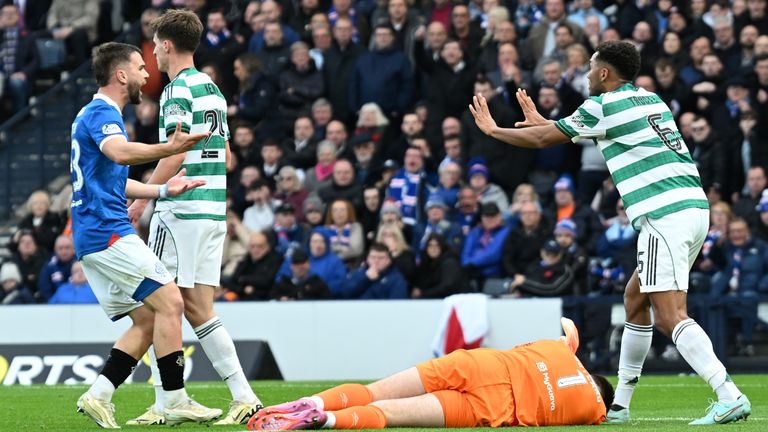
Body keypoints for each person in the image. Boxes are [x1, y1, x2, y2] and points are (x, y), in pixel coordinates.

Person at [468, 40, 750, 425]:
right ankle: (620, 406)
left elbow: (542, 141)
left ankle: (728, 393)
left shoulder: (603, 106)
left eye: (589, 67)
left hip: (661, 213)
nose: (585, 74)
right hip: (693, 208)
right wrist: (546, 123)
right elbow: (568, 130)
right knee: (636, 297)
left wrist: (492, 130)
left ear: (604, 73)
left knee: (670, 315)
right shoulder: (651, 100)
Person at [71, 42, 218, 428]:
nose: (145, 74)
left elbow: (116, 181)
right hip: (107, 233)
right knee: (171, 302)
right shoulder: (102, 113)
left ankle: (99, 394)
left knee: (148, 320)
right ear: (120, 75)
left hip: (96, 235)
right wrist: (167, 148)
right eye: (138, 67)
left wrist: (164, 191)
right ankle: (174, 399)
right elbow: (120, 154)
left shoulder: (98, 115)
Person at [125, 10, 261, 426]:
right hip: (213, 209)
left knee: (157, 303)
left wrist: (143, 199)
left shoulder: (175, 91)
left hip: (182, 210)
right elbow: (224, 153)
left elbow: (177, 151)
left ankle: (168, 400)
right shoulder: (213, 89)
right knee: (199, 309)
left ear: (166, 45)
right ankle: (244, 396)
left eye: (154, 47)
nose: (153, 56)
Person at [247, 318, 610, 430]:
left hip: (481, 364)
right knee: (387, 414)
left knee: (375, 392)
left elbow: (568, 330)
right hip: (497, 407)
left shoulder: (566, 351)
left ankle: (310, 401)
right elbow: (609, 412)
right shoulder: (595, 411)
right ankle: (323, 420)